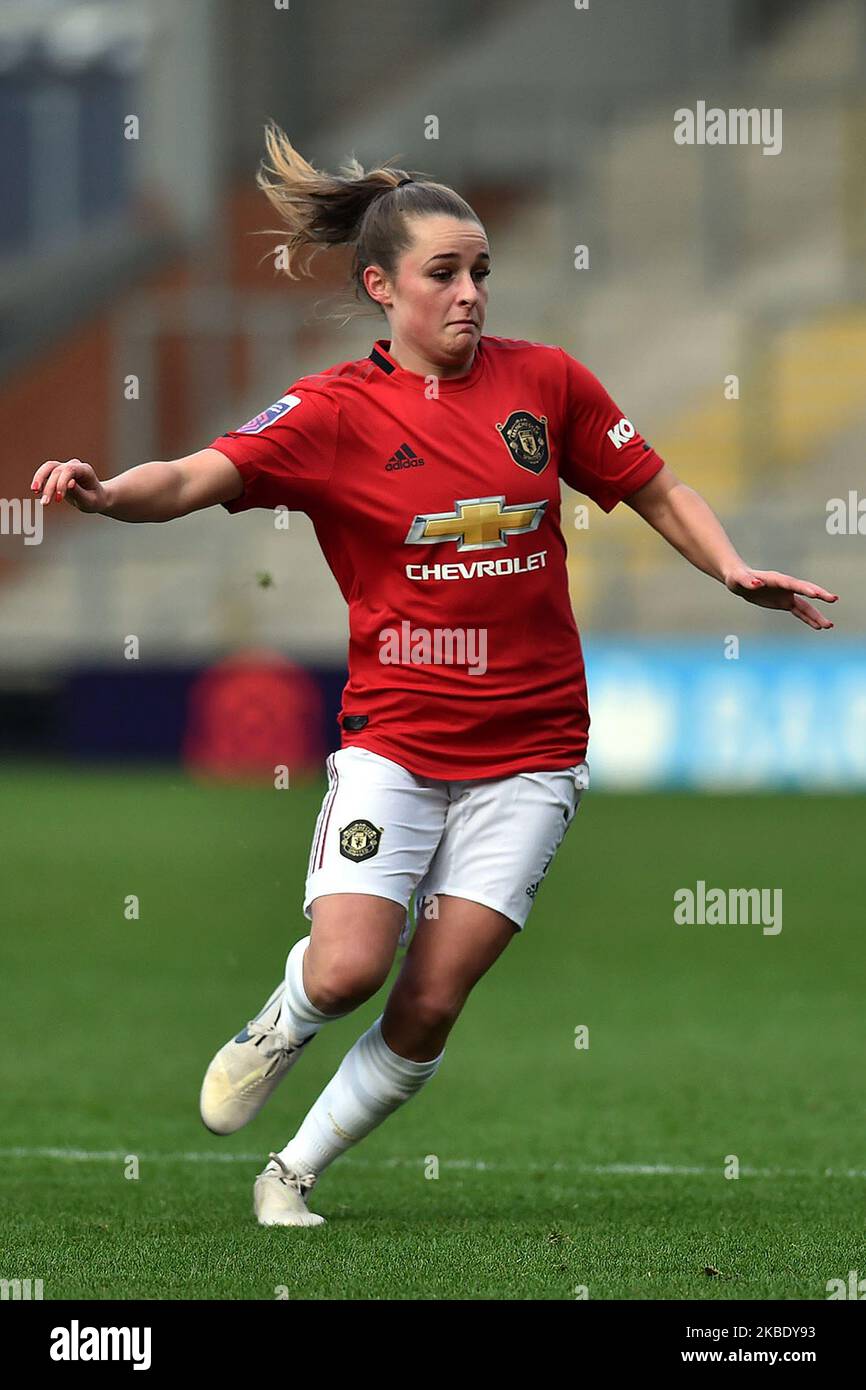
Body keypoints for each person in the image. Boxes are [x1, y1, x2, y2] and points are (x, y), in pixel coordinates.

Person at [31, 125, 838, 1229]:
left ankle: (292, 1173)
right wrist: (104, 493)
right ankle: (287, 1012)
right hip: (398, 742)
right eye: (443, 273)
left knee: (431, 996)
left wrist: (729, 563)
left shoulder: (545, 383)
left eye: (481, 272)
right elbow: (192, 473)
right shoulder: (326, 416)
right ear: (380, 286)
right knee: (351, 969)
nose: (469, 294)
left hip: (534, 752)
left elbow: (653, 485)